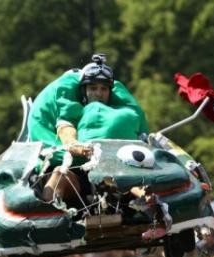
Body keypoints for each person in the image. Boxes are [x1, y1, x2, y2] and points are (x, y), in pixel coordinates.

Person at [28, 53, 149, 203]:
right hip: (72, 168)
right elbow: (65, 129)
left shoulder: (117, 108)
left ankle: (156, 205)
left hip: (110, 171)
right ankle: (47, 213)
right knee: (61, 173)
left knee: (127, 177)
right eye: (93, 88)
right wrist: (77, 146)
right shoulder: (69, 103)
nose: (98, 93)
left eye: (104, 89)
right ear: (83, 91)